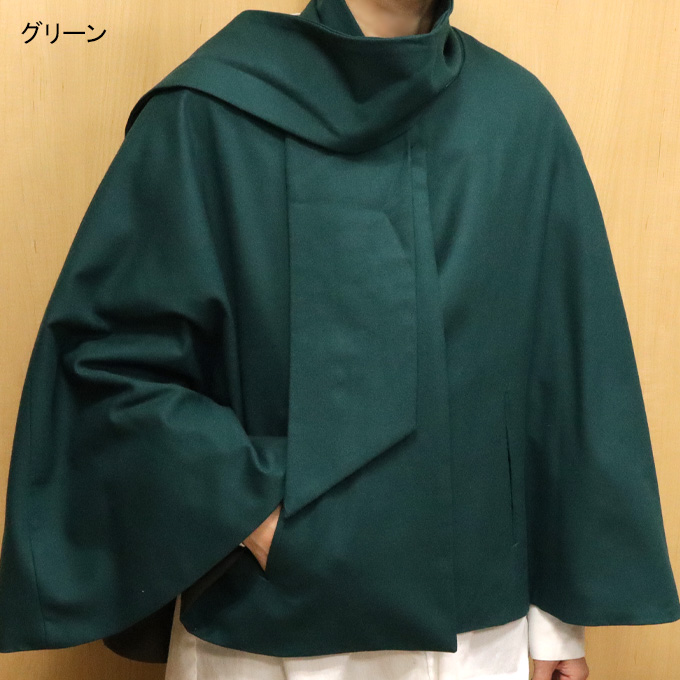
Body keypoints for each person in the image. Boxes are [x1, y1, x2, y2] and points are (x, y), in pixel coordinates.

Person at [1, 0, 678, 676]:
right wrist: (259, 520)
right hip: (262, 630)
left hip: (476, 635)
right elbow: (106, 363)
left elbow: (561, 374)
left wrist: (556, 630)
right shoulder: (210, 111)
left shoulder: (518, 120)